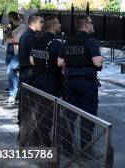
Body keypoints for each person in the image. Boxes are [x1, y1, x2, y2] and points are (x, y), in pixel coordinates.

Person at [58, 15, 103, 153]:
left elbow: (60, 62)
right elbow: (97, 62)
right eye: (92, 23)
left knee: (70, 114)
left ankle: (66, 147)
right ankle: (85, 150)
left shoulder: (68, 42)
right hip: (87, 84)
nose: (93, 25)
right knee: (88, 116)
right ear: (86, 25)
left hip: (70, 82)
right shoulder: (91, 42)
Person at [30, 16, 64, 96]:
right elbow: (62, 64)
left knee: (39, 106)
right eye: (58, 23)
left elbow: (31, 60)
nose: (60, 25)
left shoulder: (36, 41)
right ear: (53, 27)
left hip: (37, 80)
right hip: (52, 84)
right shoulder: (58, 44)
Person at [15, 14, 44, 100]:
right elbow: (32, 58)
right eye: (41, 22)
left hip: (24, 70)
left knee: (24, 98)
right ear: (33, 23)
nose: (42, 24)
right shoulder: (33, 37)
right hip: (29, 71)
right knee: (28, 99)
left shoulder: (25, 35)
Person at [4, 12, 26, 103]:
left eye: (9, 18)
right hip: (9, 52)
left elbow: (16, 40)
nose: (8, 20)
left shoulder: (22, 27)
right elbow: (5, 39)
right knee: (10, 74)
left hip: (16, 53)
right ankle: (12, 91)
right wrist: (5, 31)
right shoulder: (10, 27)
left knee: (13, 74)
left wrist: (9, 40)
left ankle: (14, 95)